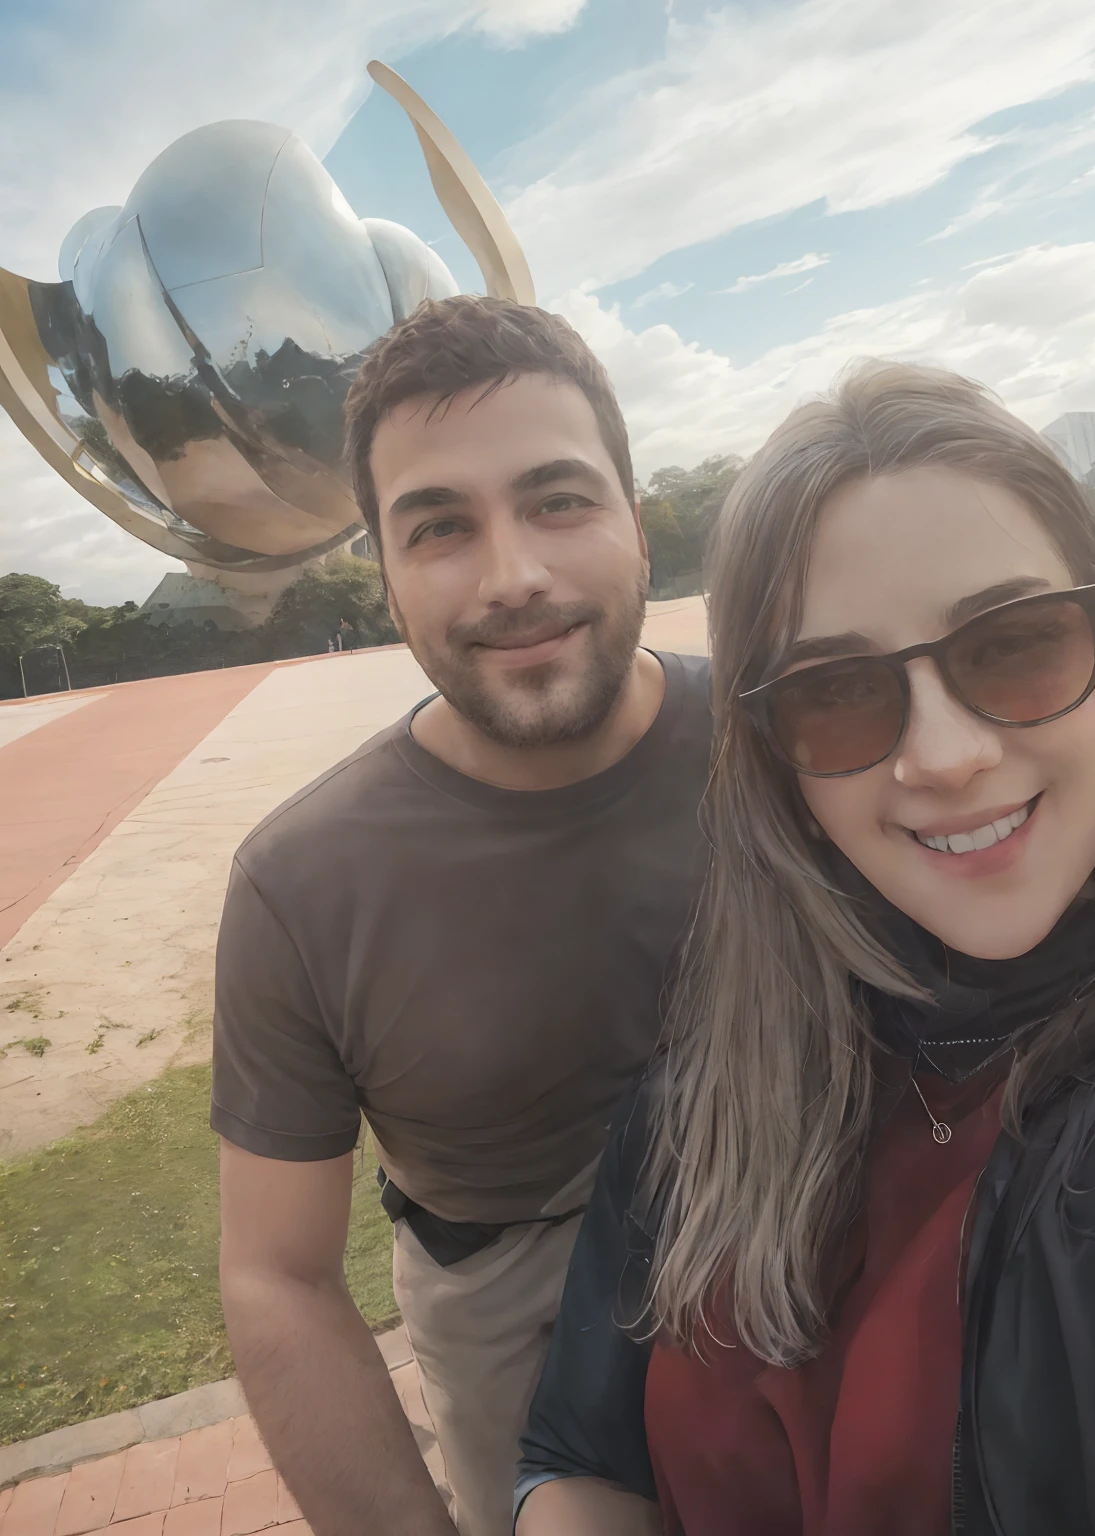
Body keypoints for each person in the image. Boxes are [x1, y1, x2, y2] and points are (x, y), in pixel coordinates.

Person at [517, 360, 1095, 1536]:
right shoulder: (707, 1087)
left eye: (1015, 644)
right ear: (776, 761)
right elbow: (579, 1451)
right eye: (841, 691)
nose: (947, 754)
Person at [211, 296, 712, 1536]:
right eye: (440, 527)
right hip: (510, 1308)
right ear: (383, 574)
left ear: (635, 526)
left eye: (559, 499)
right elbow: (277, 1277)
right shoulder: (301, 884)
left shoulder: (798, 746)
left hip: (817, 1228)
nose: (515, 576)